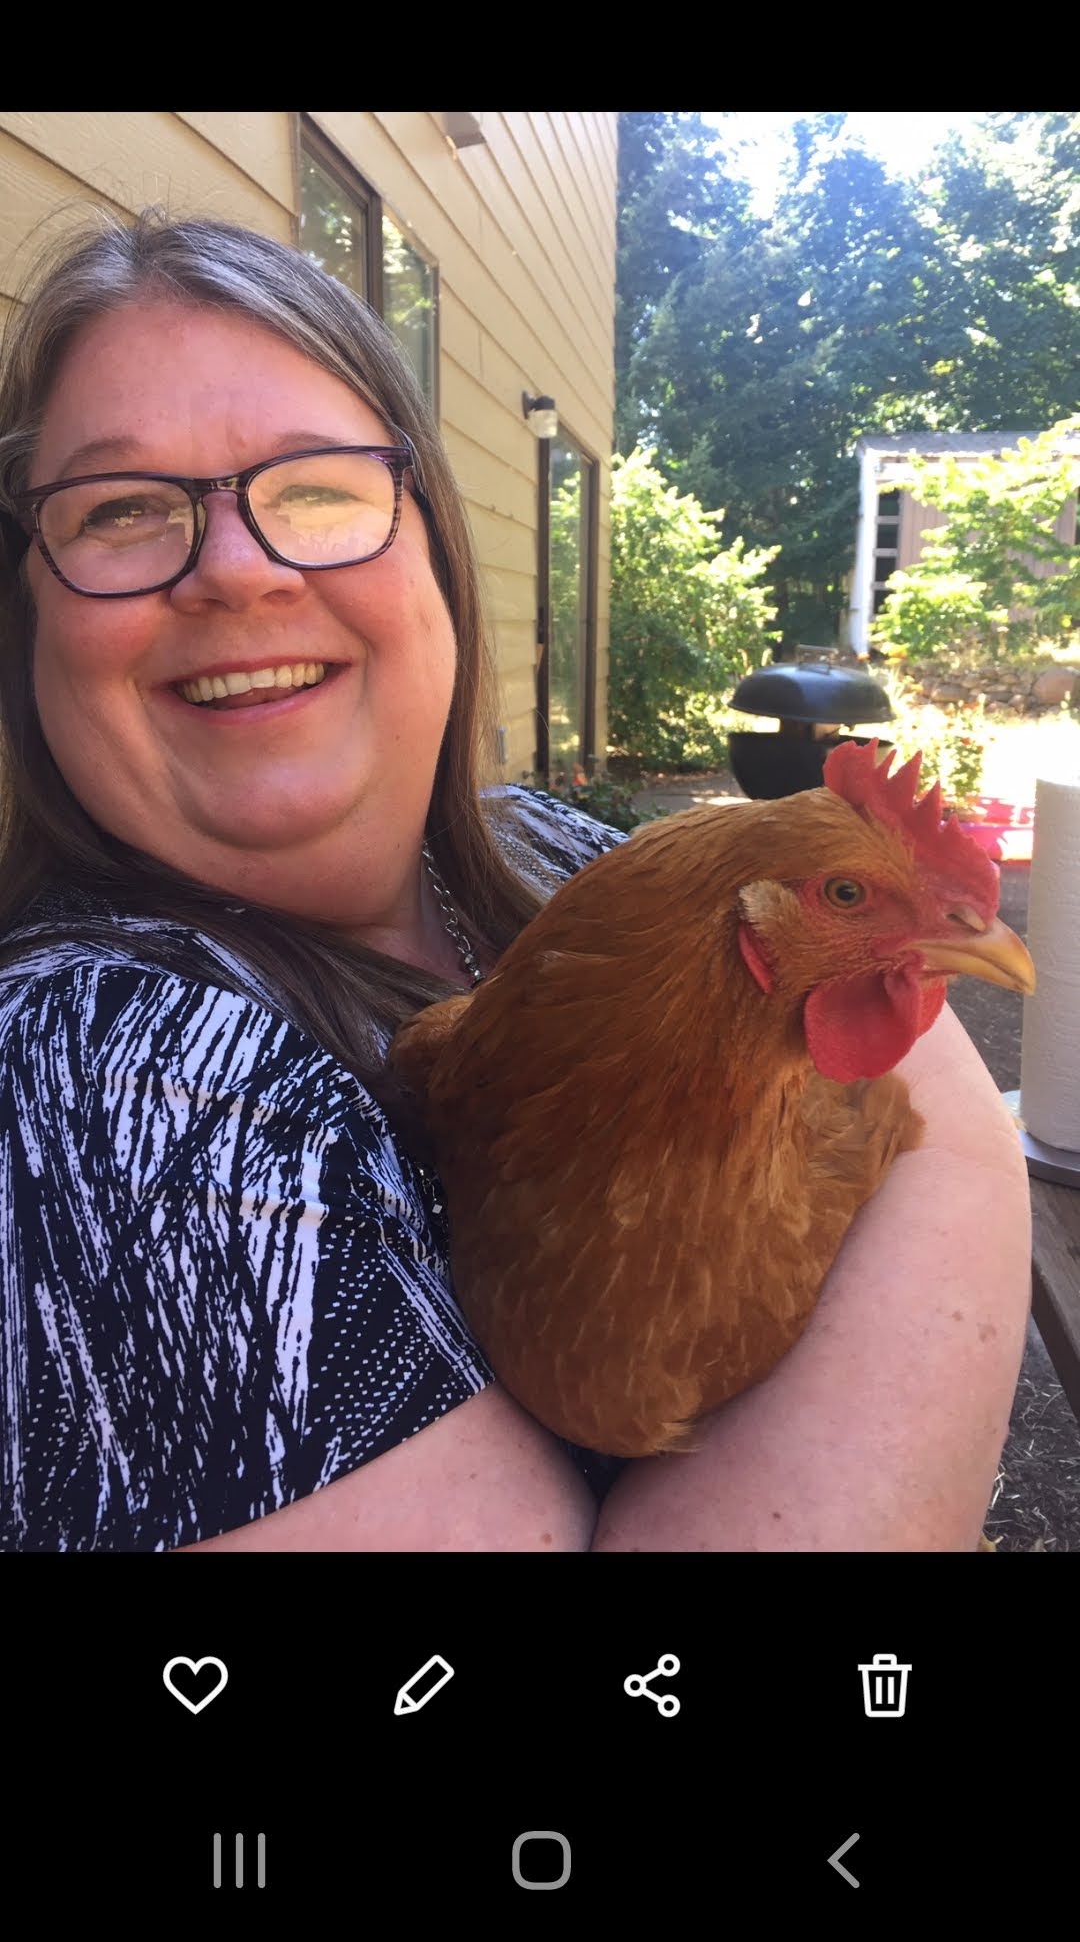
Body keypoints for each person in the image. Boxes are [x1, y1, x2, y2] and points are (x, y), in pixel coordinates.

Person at [0, 209, 1031, 1553]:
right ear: (28, 615)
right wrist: (948, 1159)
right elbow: (933, 1113)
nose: (238, 573)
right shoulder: (102, 1076)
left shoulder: (535, 840)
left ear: (432, 544)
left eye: (316, 488)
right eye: (123, 510)